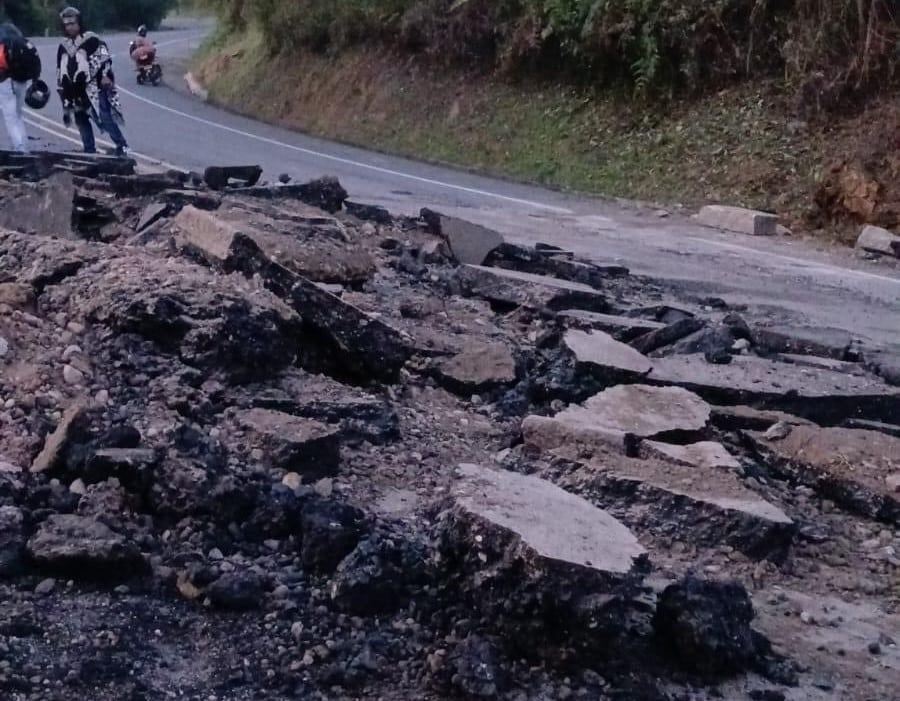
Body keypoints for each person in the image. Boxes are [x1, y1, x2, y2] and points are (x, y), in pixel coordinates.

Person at [56, 6, 128, 156]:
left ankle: (122, 145)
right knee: (81, 119)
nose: (70, 27)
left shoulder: (92, 39)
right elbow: (60, 67)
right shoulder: (63, 45)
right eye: (67, 24)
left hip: (93, 87)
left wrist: (105, 75)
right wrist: (62, 88)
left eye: (72, 23)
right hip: (74, 89)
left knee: (104, 116)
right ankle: (89, 148)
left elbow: (104, 58)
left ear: (79, 23)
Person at [0, 22, 41, 152]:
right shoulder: (24, 42)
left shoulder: (4, 43)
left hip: (6, 81)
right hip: (22, 81)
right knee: (18, 115)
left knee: (10, 117)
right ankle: (24, 146)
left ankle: (19, 148)